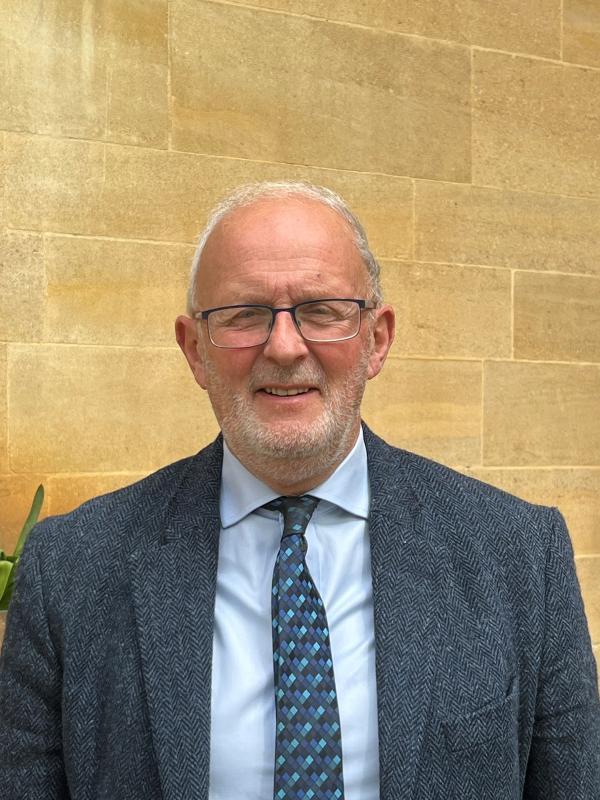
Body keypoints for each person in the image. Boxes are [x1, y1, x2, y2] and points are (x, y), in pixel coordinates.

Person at [0, 181, 598, 800]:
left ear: (377, 338)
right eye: (243, 316)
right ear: (194, 350)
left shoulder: (523, 557)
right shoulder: (70, 569)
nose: (285, 347)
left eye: (323, 311)